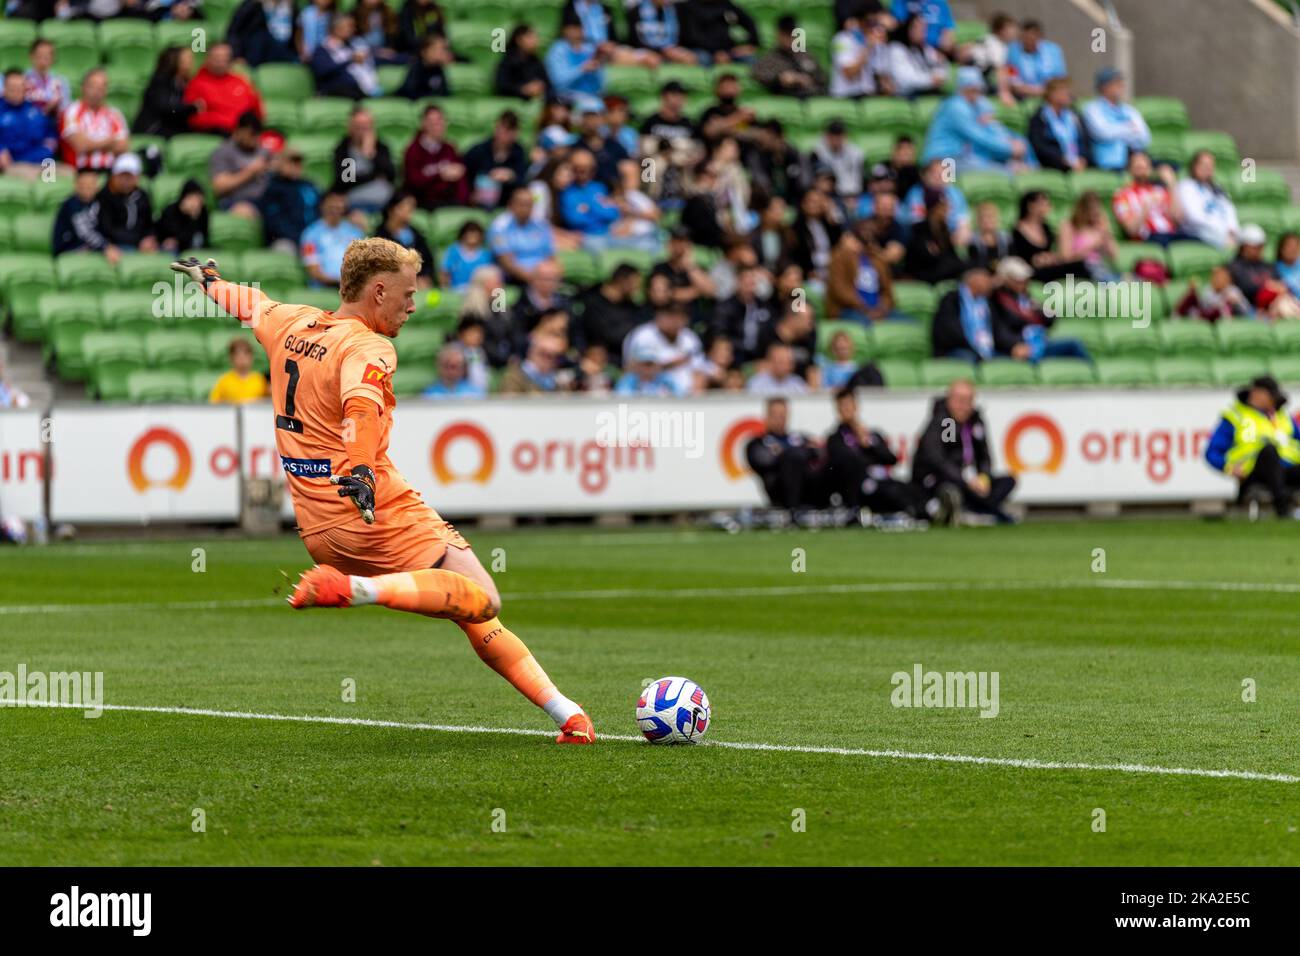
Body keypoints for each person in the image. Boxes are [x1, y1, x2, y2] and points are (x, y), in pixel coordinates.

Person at [169, 241, 596, 743]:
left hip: (318, 525)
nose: (413, 306)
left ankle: (567, 714)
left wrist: (211, 282)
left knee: (462, 604)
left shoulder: (293, 322)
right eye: (408, 294)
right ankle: (354, 591)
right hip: (369, 509)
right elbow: (361, 407)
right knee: (483, 598)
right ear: (378, 291)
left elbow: (251, 304)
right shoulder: (367, 346)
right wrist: (360, 471)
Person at [911, 378, 1017, 525]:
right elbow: (940, 462)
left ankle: (973, 510)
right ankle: (985, 510)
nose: (964, 406)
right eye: (960, 400)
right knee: (951, 488)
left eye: (969, 401)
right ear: (950, 399)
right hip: (943, 479)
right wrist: (966, 481)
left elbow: (984, 456)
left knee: (1008, 481)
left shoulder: (975, 421)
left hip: (969, 479)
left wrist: (983, 477)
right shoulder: (947, 424)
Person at [1205, 375, 1300, 519]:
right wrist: (1228, 467)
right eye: (1270, 396)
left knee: (1276, 460)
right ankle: (1283, 510)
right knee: (1269, 451)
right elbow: (1212, 452)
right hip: (1252, 472)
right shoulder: (1236, 416)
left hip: (1285, 469)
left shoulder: (1283, 417)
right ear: (1257, 393)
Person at [826, 387, 924, 517]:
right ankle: (915, 514)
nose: (847, 409)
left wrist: (869, 445)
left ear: (856, 406)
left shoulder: (872, 435)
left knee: (912, 489)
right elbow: (845, 464)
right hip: (863, 486)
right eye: (843, 406)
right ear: (838, 410)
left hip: (884, 479)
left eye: (849, 404)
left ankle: (931, 512)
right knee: (890, 493)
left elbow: (891, 459)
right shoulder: (836, 438)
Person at [922, 66, 1033, 173]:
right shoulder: (955, 107)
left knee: (1017, 157)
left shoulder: (977, 104)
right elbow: (977, 136)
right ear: (963, 88)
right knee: (1004, 170)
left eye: (978, 89)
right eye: (972, 89)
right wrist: (1008, 149)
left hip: (966, 156)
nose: (977, 93)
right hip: (943, 159)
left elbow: (993, 126)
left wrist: (1012, 140)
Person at [990, 256, 1089, 361]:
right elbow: (1000, 330)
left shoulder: (1026, 298)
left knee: (1074, 346)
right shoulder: (998, 300)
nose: (1023, 283)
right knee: (1073, 346)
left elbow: (1050, 320)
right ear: (1007, 280)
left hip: (1038, 343)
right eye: (1018, 280)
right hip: (1020, 347)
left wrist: (1038, 309)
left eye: (1025, 279)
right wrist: (1014, 345)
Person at [744, 397, 826, 512]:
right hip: (779, 488)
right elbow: (760, 461)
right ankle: (793, 509)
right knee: (792, 459)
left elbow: (819, 451)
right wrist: (791, 453)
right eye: (775, 415)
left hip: (807, 486)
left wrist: (801, 450)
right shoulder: (759, 442)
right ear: (767, 416)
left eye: (782, 415)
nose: (779, 419)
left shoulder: (799, 438)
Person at [622, 304, 704, 395]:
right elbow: (630, 367)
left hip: (685, 396)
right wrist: (668, 365)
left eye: (677, 317)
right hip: (647, 394)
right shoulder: (643, 335)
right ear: (659, 317)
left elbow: (699, 371)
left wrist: (693, 397)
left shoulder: (690, 338)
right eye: (669, 316)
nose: (674, 321)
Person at [827, 219, 900, 322]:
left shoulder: (878, 259)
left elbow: (887, 292)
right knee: (866, 323)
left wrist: (883, 308)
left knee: (910, 324)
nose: (868, 235)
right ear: (853, 234)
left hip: (879, 310)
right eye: (863, 232)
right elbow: (840, 290)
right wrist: (863, 307)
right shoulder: (841, 256)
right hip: (849, 309)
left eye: (872, 233)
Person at [184, 43, 264, 135]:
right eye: (217, 58)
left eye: (226, 58)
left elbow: (257, 111)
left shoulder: (241, 81)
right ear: (207, 59)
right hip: (217, 133)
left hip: (245, 134)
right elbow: (193, 118)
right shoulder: (196, 84)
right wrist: (227, 123)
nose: (222, 62)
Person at [92, 152, 157, 264]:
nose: (125, 180)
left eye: (129, 176)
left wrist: (149, 238)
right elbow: (107, 229)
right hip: (116, 245)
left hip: (139, 244)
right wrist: (138, 241)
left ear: (137, 177)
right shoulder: (104, 197)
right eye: (122, 175)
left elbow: (149, 223)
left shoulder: (142, 196)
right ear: (114, 176)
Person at [1081, 67, 1150, 172]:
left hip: (1133, 158)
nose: (1120, 86)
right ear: (1103, 87)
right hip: (1108, 162)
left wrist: (1116, 131)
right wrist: (1129, 129)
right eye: (1115, 83)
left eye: (1121, 82)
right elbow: (1102, 133)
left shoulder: (1129, 110)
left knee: (1166, 169)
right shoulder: (1092, 109)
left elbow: (1145, 137)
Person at [59, 68, 129, 171]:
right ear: (84, 87)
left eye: (101, 87)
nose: (97, 92)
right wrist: (110, 141)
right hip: (81, 171)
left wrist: (91, 143)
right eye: (93, 86)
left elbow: (123, 146)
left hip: (110, 171)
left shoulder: (115, 114)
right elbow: (81, 145)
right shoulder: (72, 111)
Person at [1011, 190, 1087, 283]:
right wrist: (1035, 260)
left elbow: (1053, 252)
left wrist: (1050, 258)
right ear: (1031, 206)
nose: (1047, 205)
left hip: (1049, 268)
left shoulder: (1045, 227)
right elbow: (1016, 255)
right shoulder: (1018, 230)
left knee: (1080, 266)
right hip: (1029, 270)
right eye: (1043, 203)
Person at [1112, 150, 1184, 246]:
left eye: (1145, 164)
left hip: (1172, 235)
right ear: (1130, 170)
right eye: (1138, 166)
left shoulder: (1160, 190)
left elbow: (1177, 218)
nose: (1142, 166)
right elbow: (1131, 230)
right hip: (1150, 238)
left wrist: (1171, 185)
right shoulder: (1122, 195)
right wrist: (1146, 204)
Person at [403, 105, 468, 209]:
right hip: (423, 202)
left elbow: (460, 179)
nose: (438, 125)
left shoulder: (450, 149)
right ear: (423, 123)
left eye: (440, 120)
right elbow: (413, 181)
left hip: (448, 202)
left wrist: (463, 203)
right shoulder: (413, 150)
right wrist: (440, 175)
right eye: (432, 121)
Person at [333, 107, 397, 213]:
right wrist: (374, 176)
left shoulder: (381, 147)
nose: (362, 132)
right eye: (358, 127)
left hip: (385, 204)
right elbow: (346, 181)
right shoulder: (345, 149)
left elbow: (391, 174)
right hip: (354, 203)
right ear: (350, 128)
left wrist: (372, 155)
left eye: (366, 127)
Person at [1229, 225, 1300, 319]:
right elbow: (1246, 290)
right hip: (1253, 310)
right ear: (1244, 246)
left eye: (1260, 246)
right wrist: (1268, 287)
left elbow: (1282, 286)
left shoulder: (1268, 266)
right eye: (1254, 246)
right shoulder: (1234, 267)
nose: (1258, 249)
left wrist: (1276, 288)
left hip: (1276, 305)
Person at [488, 186, 556, 283]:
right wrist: (535, 281)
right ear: (511, 205)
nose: (525, 209)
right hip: (514, 278)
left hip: (542, 277)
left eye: (529, 205)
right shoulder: (499, 226)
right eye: (522, 204)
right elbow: (506, 263)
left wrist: (553, 276)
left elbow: (551, 256)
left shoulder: (541, 225)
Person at [210, 111, 271, 220]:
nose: (255, 139)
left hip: (265, 200)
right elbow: (219, 187)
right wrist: (251, 171)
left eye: (258, 134)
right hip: (236, 201)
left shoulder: (264, 152)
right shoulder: (224, 151)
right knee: (247, 212)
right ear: (239, 130)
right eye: (251, 133)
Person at [930, 266, 1000, 361]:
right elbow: (951, 331)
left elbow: (998, 328)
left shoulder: (987, 302)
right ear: (975, 282)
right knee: (970, 358)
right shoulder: (952, 300)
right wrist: (974, 349)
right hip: (956, 349)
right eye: (986, 281)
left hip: (986, 348)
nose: (990, 284)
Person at [259, 147, 322, 251]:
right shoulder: (273, 188)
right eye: (291, 162)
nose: (295, 166)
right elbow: (274, 223)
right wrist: (301, 238)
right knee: (284, 249)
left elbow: (323, 208)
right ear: (281, 164)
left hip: (314, 238)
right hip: (287, 240)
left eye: (298, 163)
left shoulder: (309, 185)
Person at [1176, 149, 1240, 251]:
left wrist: (1232, 228)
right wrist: (1221, 230)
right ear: (1194, 166)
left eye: (1211, 165)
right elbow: (1194, 217)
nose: (1208, 168)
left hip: (1224, 231)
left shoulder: (1217, 187)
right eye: (1204, 165)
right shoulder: (1186, 186)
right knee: (1229, 244)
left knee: (1251, 236)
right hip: (1198, 231)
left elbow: (1229, 208)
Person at [463, 110, 528, 210]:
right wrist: (470, 193)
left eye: (509, 131)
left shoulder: (519, 152)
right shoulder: (478, 151)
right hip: (478, 203)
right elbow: (464, 172)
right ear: (496, 127)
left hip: (506, 205)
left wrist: (511, 176)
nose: (504, 134)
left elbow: (524, 180)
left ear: (515, 133)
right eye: (502, 128)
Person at [578, 263, 645, 357]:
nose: (636, 290)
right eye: (634, 284)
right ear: (622, 281)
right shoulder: (593, 303)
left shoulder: (631, 306)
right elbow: (604, 335)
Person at [301, 190, 365, 287]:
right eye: (332, 202)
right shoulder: (310, 234)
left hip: (352, 288)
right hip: (324, 288)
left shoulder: (355, 232)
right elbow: (313, 270)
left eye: (340, 202)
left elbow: (363, 264)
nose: (337, 205)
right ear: (323, 205)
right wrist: (340, 281)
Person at [1027, 77, 1091, 173]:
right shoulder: (1039, 118)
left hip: (1078, 164)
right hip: (1053, 166)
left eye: (1067, 91)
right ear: (1051, 94)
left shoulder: (1074, 115)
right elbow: (1040, 146)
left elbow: (1085, 141)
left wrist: (1083, 158)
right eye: (1062, 91)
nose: (1067, 94)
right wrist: (1063, 160)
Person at [752, 15, 828, 97]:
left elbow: (823, 78)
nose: (789, 39)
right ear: (779, 35)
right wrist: (779, 79)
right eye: (786, 35)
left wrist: (807, 78)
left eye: (792, 35)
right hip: (785, 99)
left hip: (812, 97)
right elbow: (757, 74)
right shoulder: (771, 57)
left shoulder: (805, 55)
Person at [133, 46, 199, 138]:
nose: (192, 62)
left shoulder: (184, 83)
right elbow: (166, 108)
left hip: (170, 127)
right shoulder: (161, 81)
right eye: (188, 58)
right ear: (176, 60)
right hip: (153, 128)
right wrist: (192, 108)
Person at [311, 14, 382, 99]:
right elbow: (324, 71)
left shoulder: (353, 46)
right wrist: (350, 61)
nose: (353, 30)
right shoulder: (322, 50)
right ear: (336, 28)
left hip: (356, 90)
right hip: (333, 91)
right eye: (349, 26)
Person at [545, 10, 607, 105]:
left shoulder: (590, 49)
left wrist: (597, 68)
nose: (577, 32)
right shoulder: (557, 50)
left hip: (593, 96)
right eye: (573, 28)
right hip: (567, 99)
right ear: (564, 30)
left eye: (579, 28)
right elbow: (558, 83)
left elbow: (600, 84)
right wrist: (582, 69)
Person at [0, 68, 53, 177]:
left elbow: (50, 134)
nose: (16, 92)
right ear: (4, 89)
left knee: (66, 174)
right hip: (11, 164)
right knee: (31, 176)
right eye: (12, 88)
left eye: (20, 87)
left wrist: (48, 147)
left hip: (37, 160)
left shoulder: (35, 110)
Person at [1058, 190, 1119, 282]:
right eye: (1091, 209)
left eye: (1096, 209)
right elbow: (1065, 257)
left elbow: (1113, 256)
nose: (1094, 213)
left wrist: (1106, 232)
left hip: (1099, 267)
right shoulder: (1069, 226)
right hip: (1079, 268)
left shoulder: (1098, 226)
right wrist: (1092, 247)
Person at [883, 13, 947, 98]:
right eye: (917, 28)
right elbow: (905, 80)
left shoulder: (926, 49)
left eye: (924, 29)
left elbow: (942, 74)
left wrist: (939, 67)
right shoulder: (896, 49)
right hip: (905, 95)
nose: (922, 32)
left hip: (926, 91)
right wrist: (930, 80)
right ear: (908, 28)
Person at [679, 0, 760, 65]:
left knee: (750, 60)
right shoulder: (688, 7)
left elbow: (749, 21)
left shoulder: (725, 4)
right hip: (702, 50)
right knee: (704, 59)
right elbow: (692, 37)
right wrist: (716, 52)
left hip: (728, 50)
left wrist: (752, 44)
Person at [829, 11, 889, 98]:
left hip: (868, 95)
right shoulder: (842, 39)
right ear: (859, 22)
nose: (872, 28)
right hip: (846, 96)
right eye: (869, 23)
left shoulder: (877, 43)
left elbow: (882, 78)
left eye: (875, 23)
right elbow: (849, 74)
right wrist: (868, 48)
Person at [1005, 19, 1065, 100]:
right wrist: (1034, 91)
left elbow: (1060, 78)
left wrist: (1049, 91)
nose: (1029, 42)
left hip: (1051, 94)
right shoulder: (1013, 51)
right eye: (1026, 39)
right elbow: (1012, 79)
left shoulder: (1053, 50)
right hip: (1023, 96)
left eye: (1032, 39)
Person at [23, 38, 69, 143]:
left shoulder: (61, 82)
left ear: (53, 59)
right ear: (31, 56)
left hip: (52, 128)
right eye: (39, 56)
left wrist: (56, 108)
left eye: (47, 56)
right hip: (27, 127)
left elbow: (66, 111)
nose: (43, 60)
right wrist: (45, 109)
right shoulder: (22, 80)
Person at [228, 0, 299, 66]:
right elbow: (234, 31)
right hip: (259, 50)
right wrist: (237, 54)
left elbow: (296, 32)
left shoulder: (291, 6)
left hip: (283, 49)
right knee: (260, 35)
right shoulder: (253, 4)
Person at [52, 167, 105, 255]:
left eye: (90, 186)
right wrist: (105, 246)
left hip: (89, 245)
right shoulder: (71, 204)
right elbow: (84, 231)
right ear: (75, 185)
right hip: (67, 248)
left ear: (97, 187)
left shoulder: (99, 201)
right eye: (82, 186)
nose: (86, 190)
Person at [500, 330, 572, 393]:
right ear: (531, 351)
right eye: (544, 354)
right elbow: (510, 404)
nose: (549, 360)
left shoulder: (559, 381)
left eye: (557, 356)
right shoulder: (514, 377)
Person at [1174, 264, 1252, 321]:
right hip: (1210, 317)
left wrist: (1236, 301)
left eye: (1223, 278)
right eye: (1217, 277)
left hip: (1232, 318)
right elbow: (1206, 307)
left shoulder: (1233, 290)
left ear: (1229, 280)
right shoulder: (1207, 289)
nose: (1219, 280)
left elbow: (1246, 309)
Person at [627, 0, 694, 65]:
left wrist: (674, 51)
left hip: (669, 50)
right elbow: (634, 41)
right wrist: (662, 51)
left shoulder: (674, 11)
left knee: (690, 58)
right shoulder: (636, 11)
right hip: (644, 51)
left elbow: (680, 38)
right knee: (652, 60)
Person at [494, 25, 550, 101]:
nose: (535, 41)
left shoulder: (537, 61)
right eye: (530, 37)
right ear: (519, 40)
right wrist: (522, 89)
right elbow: (502, 86)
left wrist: (540, 86)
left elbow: (547, 84)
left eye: (535, 37)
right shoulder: (508, 62)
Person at [209, 337, 270, 403]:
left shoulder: (261, 380)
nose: (242, 357)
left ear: (252, 357)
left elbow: (269, 403)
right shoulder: (224, 381)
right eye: (237, 354)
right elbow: (213, 404)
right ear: (231, 357)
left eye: (246, 353)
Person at [157, 177, 209, 252]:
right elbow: (173, 236)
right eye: (192, 198)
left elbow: (204, 235)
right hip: (172, 248)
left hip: (192, 248)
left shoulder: (203, 212)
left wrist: (194, 218)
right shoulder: (170, 211)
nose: (196, 203)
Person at [438, 220, 492, 293]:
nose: (473, 237)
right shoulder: (453, 251)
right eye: (470, 233)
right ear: (463, 235)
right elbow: (444, 272)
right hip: (456, 290)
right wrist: (445, 289)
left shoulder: (486, 254)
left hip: (479, 291)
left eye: (475, 234)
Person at [395, 33, 452, 99]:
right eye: (435, 49)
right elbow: (410, 92)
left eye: (443, 49)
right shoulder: (416, 68)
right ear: (424, 52)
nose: (441, 53)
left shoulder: (438, 69)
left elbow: (444, 92)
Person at [615, 341, 681, 396]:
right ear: (636, 365)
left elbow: (680, 394)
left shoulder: (667, 379)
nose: (647, 368)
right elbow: (623, 396)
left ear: (657, 365)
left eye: (650, 364)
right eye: (644, 364)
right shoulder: (628, 380)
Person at [422, 345, 487, 399]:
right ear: (439, 367)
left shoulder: (476, 393)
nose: (451, 370)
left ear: (463, 368)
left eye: (455, 366)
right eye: (446, 365)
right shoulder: (429, 393)